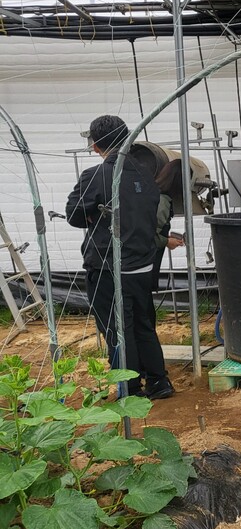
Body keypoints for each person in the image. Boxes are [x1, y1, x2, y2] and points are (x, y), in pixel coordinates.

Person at [66, 114, 175, 400]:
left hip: (107, 268)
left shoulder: (95, 175)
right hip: (142, 266)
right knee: (143, 324)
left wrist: (93, 215)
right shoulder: (146, 177)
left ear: (96, 146)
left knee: (117, 330)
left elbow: (73, 215)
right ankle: (159, 382)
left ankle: (130, 387)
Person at [152, 159, 186, 291]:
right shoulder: (162, 201)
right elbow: (149, 235)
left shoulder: (154, 193)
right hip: (148, 259)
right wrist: (167, 241)